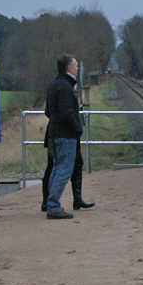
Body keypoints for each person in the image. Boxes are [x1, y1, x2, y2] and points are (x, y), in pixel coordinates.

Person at [43, 54, 82, 219]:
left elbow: (48, 111)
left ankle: (50, 203)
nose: (78, 68)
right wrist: (77, 128)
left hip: (54, 133)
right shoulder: (65, 87)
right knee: (64, 170)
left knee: (57, 169)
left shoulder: (54, 84)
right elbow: (67, 113)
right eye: (75, 65)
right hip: (66, 135)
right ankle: (53, 206)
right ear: (69, 68)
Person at [41, 127, 94, 211]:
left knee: (77, 163)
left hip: (68, 133)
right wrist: (75, 124)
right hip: (62, 133)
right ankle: (48, 202)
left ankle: (77, 199)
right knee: (54, 166)